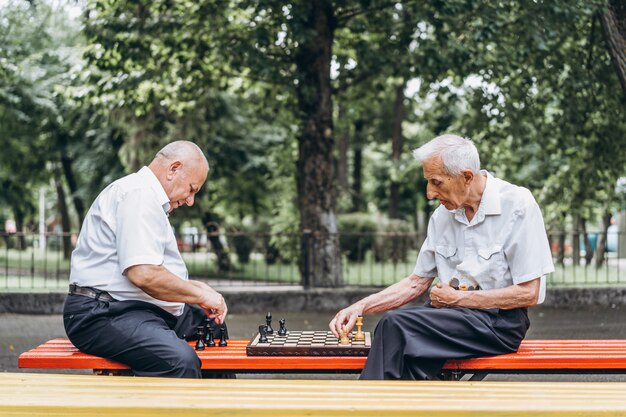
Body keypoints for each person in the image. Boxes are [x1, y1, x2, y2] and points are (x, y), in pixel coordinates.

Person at [329, 134, 554, 380]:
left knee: (396, 326)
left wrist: (459, 300)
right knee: (407, 359)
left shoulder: (518, 204)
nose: (429, 193)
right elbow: (416, 282)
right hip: (450, 318)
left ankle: (363, 406)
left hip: (498, 324)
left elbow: (529, 293)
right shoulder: (442, 217)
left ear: (466, 177)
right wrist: (361, 306)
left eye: (436, 182)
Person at [63, 141, 227, 378]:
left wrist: (194, 288)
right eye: (191, 189)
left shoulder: (148, 198)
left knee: (213, 326)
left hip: (136, 309)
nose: (191, 200)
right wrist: (200, 295)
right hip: (101, 313)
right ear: (174, 168)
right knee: (179, 362)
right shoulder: (138, 194)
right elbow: (143, 273)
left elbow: (154, 269)